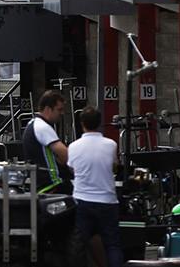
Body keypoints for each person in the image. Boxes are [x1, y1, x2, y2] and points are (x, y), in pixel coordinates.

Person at [68, 106, 122, 267]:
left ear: (82, 123)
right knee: (112, 244)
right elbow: (114, 166)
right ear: (99, 123)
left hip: (83, 201)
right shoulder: (111, 144)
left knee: (79, 245)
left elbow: (72, 169)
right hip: (107, 201)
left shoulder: (73, 146)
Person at [22, 90, 70, 193]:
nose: (62, 113)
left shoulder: (33, 124)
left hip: (40, 184)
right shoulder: (42, 127)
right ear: (48, 109)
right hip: (52, 184)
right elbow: (66, 155)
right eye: (59, 109)